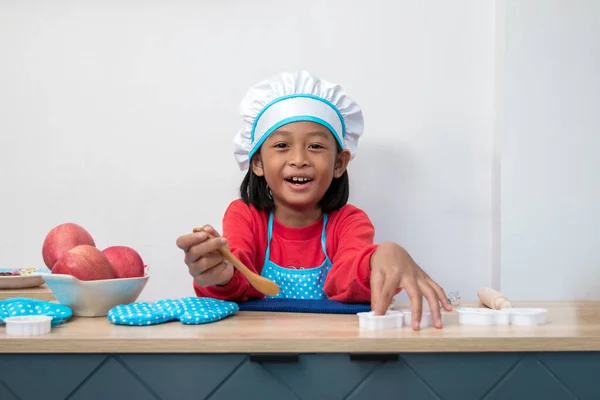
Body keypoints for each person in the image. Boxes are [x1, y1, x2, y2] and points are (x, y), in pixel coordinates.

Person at [176, 71, 452, 330]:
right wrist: (219, 273)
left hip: (331, 352)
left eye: (316, 146)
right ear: (257, 162)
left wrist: (383, 256)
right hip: (258, 352)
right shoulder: (245, 215)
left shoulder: (348, 222)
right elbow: (240, 277)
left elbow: (345, 280)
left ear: (339, 164)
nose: (299, 160)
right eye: (282, 145)